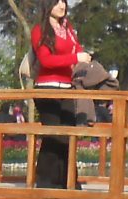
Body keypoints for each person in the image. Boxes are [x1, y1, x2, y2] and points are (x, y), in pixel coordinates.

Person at [28, 0, 87, 189]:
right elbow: (46, 60)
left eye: (64, 1)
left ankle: (69, 182)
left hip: (68, 87)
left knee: (68, 135)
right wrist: (75, 58)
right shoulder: (40, 30)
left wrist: (82, 58)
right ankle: (47, 182)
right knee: (54, 136)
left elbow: (77, 49)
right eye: (56, 2)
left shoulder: (68, 28)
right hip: (48, 88)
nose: (61, 5)